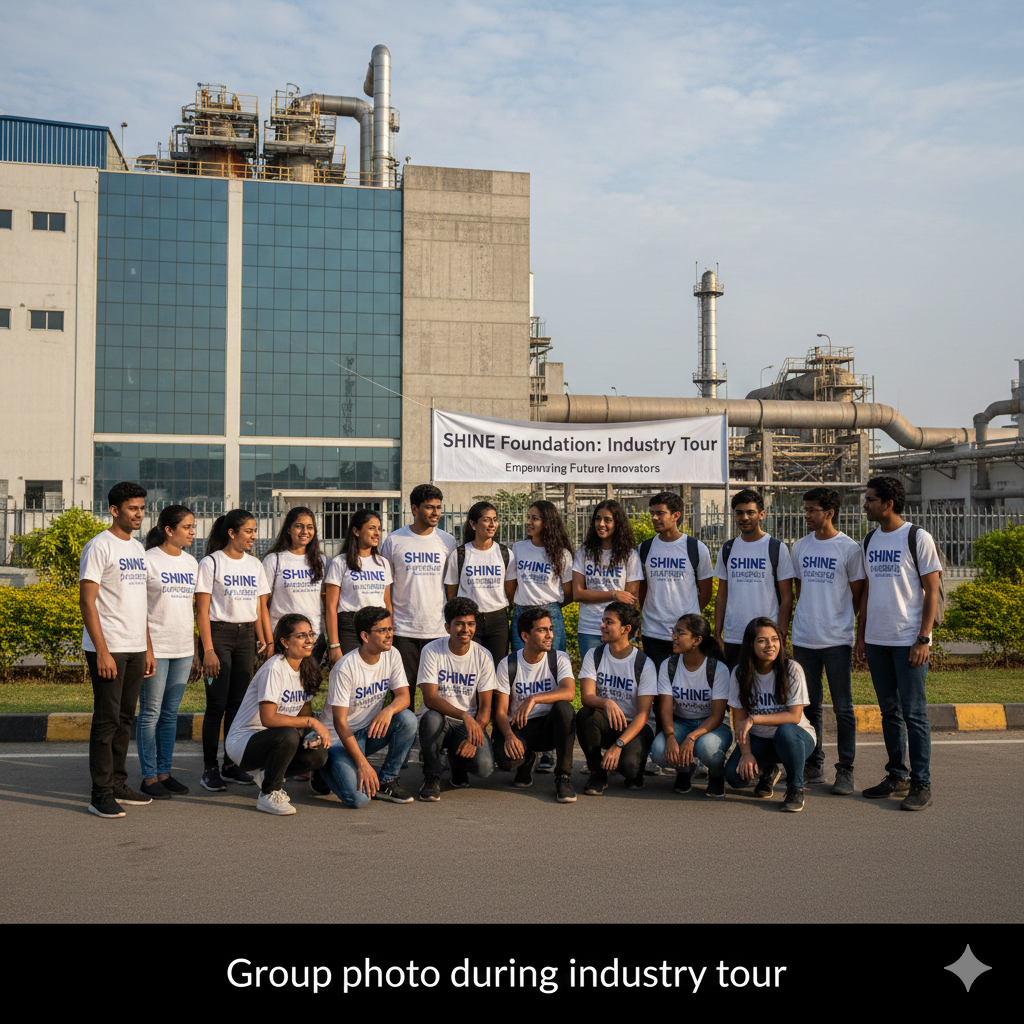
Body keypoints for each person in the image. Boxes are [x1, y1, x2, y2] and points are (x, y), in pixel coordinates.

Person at [855, 476, 942, 812]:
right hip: (877, 640)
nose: (866, 505)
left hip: (908, 641)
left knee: (915, 713)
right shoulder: (869, 540)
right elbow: (867, 593)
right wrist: (861, 636)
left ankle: (922, 783)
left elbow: (931, 591)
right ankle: (897, 775)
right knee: (889, 712)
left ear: (888, 504)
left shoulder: (916, 537)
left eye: (870, 500)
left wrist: (923, 639)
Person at [79, 481, 155, 818]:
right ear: (114, 510)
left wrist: (148, 648)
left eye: (142, 508)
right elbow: (87, 601)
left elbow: (141, 604)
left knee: (126, 718)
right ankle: (100, 793)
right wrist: (102, 650)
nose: (140, 514)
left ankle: (119, 783)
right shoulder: (99, 547)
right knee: (107, 720)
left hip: (136, 647)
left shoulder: (138, 549)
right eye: (133, 508)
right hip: (108, 649)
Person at [790, 486, 865, 794]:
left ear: (830, 512)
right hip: (804, 638)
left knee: (843, 707)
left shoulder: (849, 549)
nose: (806, 515)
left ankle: (845, 769)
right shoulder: (800, 547)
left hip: (836, 640)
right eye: (805, 509)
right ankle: (813, 763)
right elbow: (798, 590)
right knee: (810, 706)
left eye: (812, 510)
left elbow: (859, 596)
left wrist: (847, 628)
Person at [195, 509, 272, 793]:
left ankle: (230, 764)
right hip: (219, 635)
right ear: (232, 533)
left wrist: (267, 640)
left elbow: (259, 607)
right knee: (216, 705)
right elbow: (202, 611)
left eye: (255, 531)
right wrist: (208, 650)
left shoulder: (255, 565)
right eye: (249, 531)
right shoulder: (211, 563)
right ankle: (209, 768)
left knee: (237, 707)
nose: (254, 536)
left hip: (246, 637)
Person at [223, 613, 331, 815]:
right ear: (284, 641)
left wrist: (309, 735)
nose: (309, 640)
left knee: (319, 753)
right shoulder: (275, 668)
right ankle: (269, 793)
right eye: (301, 636)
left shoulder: (306, 667)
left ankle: (268, 773)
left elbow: (304, 711)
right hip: (244, 743)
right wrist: (312, 722)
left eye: (310, 634)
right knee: (287, 734)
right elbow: (268, 719)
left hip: (275, 740)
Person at [313, 606, 417, 808]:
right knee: (359, 799)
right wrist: (363, 765)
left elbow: (404, 697)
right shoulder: (345, 667)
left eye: (390, 628)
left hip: (366, 733)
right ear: (365, 636)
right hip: (337, 740)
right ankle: (322, 766)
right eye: (382, 630)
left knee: (407, 719)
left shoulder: (392, 654)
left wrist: (388, 710)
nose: (389, 635)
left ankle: (387, 781)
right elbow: (340, 724)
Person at [505, 500, 574, 772]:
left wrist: (548, 612)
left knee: (551, 674)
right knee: (523, 672)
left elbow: (567, 593)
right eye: (528, 517)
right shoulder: (518, 549)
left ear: (548, 522)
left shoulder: (563, 554)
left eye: (535, 518)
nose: (529, 522)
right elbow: (510, 587)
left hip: (550, 612)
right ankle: (526, 737)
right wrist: (525, 607)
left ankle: (549, 750)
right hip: (522, 612)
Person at [138, 504, 199, 800]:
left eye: (192, 526)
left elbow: (191, 609)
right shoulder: (148, 560)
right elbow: (139, 610)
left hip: (183, 648)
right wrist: (147, 649)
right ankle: (148, 777)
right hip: (156, 648)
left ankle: (164, 772)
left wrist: (196, 649)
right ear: (169, 530)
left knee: (170, 714)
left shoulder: (191, 563)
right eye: (187, 527)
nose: (192, 532)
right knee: (150, 713)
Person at [724, 617, 816, 812]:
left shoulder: (792, 669)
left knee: (785, 732)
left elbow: (794, 717)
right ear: (751, 644)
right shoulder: (740, 673)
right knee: (734, 776)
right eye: (762, 640)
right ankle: (769, 771)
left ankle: (795, 788)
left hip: (796, 737)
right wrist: (747, 754)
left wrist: (755, 718)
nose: (770, 645)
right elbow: (739, 719)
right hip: (761, 739)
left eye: (775, 639)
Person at [380, 484, 457, 711]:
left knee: (439, 694)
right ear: (414, 509)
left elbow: (450, 585)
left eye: (438, 508)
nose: (435, 513)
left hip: (438, 630)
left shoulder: (448, 541)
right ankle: (404, 740)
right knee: (403, 694)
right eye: (429, 507)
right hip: (404, 630)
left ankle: (432, 743)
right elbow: (385, 587)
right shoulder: (394, 540)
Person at [493, 605, 577, 803]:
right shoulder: (508, 664)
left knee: (565, 708)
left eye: (550, 629)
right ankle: (526, 761)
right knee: (507, 761)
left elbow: (570, 692)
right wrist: (509, 736)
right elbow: (500, 712)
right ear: (525, 636)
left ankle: (563, 776)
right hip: (520, 728)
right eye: (542, 630)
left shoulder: (559, 658)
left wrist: (534, 698)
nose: (549, 635)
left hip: (548, 728)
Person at [416, 597, 497, 801]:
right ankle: (431, 775)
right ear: (447, 627)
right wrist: (464, 715)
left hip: (466, 724)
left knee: (485, 768)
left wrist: (473, 733)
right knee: (432, 718)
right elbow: (431, 698)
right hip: (439, 718)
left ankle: (456, 761)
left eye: (470, 624)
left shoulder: (484, 656)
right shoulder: (432, 650)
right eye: (459, 624)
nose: (465, 629)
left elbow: (486, 708)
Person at [576, 601, 658, 795]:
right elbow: (587, 696)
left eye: (609, 622)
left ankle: (634, 768)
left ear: (626, 629)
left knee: (629, 768)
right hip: (608, 722)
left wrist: (618, 745)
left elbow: (643, 714)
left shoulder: (644, 663)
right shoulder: (594, 655)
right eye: (603, 620)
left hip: (636, 727)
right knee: (584, 715)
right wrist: (607, 702)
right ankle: (597, 773)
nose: (602, 626)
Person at [650, 613, 732, 798]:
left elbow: (717, 716)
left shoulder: (718, 669)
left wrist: (691, 737)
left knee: (707, 748)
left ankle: (717, 774)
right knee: (659, 751)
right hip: (681, 723)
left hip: (714, 725)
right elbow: (665, 708)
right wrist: (670, 737)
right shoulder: (668, 665)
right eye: (674, 632)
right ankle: (685, 769)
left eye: (680, 633)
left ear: (697, 640)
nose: (674, 637)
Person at [714, 488, 795, 668]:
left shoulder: (776, 548)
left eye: (750, 512)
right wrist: (718, 632)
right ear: (733, 515)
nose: (744, 518)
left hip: (765, 637)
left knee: (766, 689)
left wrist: (780, 633)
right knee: (735, 689)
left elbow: (787, 596)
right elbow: (722, 594)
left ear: (761, 514)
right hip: (734, 634)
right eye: (739, 513)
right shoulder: (727, 549)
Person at [637, 491, 714, 671]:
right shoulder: (645, 548)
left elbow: (706, 592)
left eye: (660, 513)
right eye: (652, 514)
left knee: (683, 686)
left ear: (676, 515)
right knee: (657, 688)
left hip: (688, 635)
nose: (654, 518)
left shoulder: (696, 548)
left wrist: (689, 619)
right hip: (653, 632)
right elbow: (643, 588)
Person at [572, 499, 643, 661]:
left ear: (618, 523)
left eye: (607, 520)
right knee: (592, 680)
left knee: (617, 681)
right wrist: (613, 594)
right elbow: (577, 593)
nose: (601, 524)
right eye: (598, 518)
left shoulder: (630, 556)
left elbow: (630, 600)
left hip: (618, 631)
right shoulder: (585, 551)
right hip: (589, 628)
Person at [444, 501, 513, 664]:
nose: (492, 524)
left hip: (498, 619)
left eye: (495, 519)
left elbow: (510, 591)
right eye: (487, 519)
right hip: (468, 619)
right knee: (471, 668)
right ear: (473, 524)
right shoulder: (459, 554)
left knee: (498, 668)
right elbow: (452, 594)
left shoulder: (505, 554)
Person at [262, 506, 327, 664]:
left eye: (309, 527)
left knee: (308, 687)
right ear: (288, 530)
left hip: (313, 639)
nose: (305, 531)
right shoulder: (274, 560)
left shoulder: (322, 561)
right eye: (299, 526)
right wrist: (269, 640)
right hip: (283, 640)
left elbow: (326, 599)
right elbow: (262, 604)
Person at [324, 508, 393, 659]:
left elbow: (387, 602)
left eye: (379, 529)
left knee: (375, 675)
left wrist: (389, 632)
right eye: (371, 528)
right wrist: (334, 645)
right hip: (350, 627)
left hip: (378, 626)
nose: (377, 533)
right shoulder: (339, 562)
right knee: (352, 672)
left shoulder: (383, 563)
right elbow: (330, 606)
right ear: (356, 531)